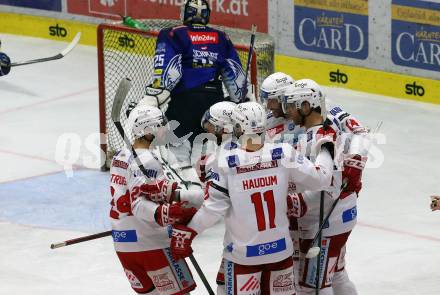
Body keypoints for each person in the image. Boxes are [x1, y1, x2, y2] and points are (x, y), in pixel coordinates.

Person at [169, 102, 336, 294]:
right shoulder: (283, 153)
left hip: (243, 257)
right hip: (280, 252)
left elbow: (214, 209)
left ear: (239, 128)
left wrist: (189, 231)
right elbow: (322, 179)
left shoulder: (223, 161)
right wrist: (325, 147)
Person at [149, 0, 251, 187]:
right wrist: (242, 100)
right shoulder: (221, 37)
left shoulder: (172, 34)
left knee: (178, 159)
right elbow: (236, 80)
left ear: (184, 14)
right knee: (207, 158)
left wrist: (154, 99)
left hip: (183, 105)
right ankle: (207, 194)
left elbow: (166, 75)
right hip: (213, 107)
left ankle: (184, 196)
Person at [282, 79, 368, 295]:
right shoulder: (314, 131)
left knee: (314, 286)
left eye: (291, 106)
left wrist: (294, 203)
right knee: (335, 274)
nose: (287, 112)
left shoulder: (323, 137)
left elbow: (329, 187)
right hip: (337, 215)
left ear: (306, 105)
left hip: (330, 219)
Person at [110, 104, 203, 294]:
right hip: (152, 244)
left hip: (123, 245)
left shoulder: (119, 156)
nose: (165, 129)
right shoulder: (148, 160)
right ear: (147, 130)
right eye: (160, 125)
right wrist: (164, 213)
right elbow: (138, 204)